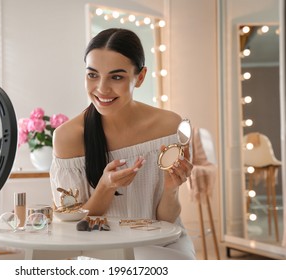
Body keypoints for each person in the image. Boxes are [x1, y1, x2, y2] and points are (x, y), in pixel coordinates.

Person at [50, 28, 196, 260]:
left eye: (116, 77)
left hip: (162, 243)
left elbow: (166, 221)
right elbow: (72, 226)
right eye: (92, 75)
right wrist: (105, 187)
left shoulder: (169, 126)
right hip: (101, 248)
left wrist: (171, 189)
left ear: (140, 77)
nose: (102, 88)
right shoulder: (69, 137)